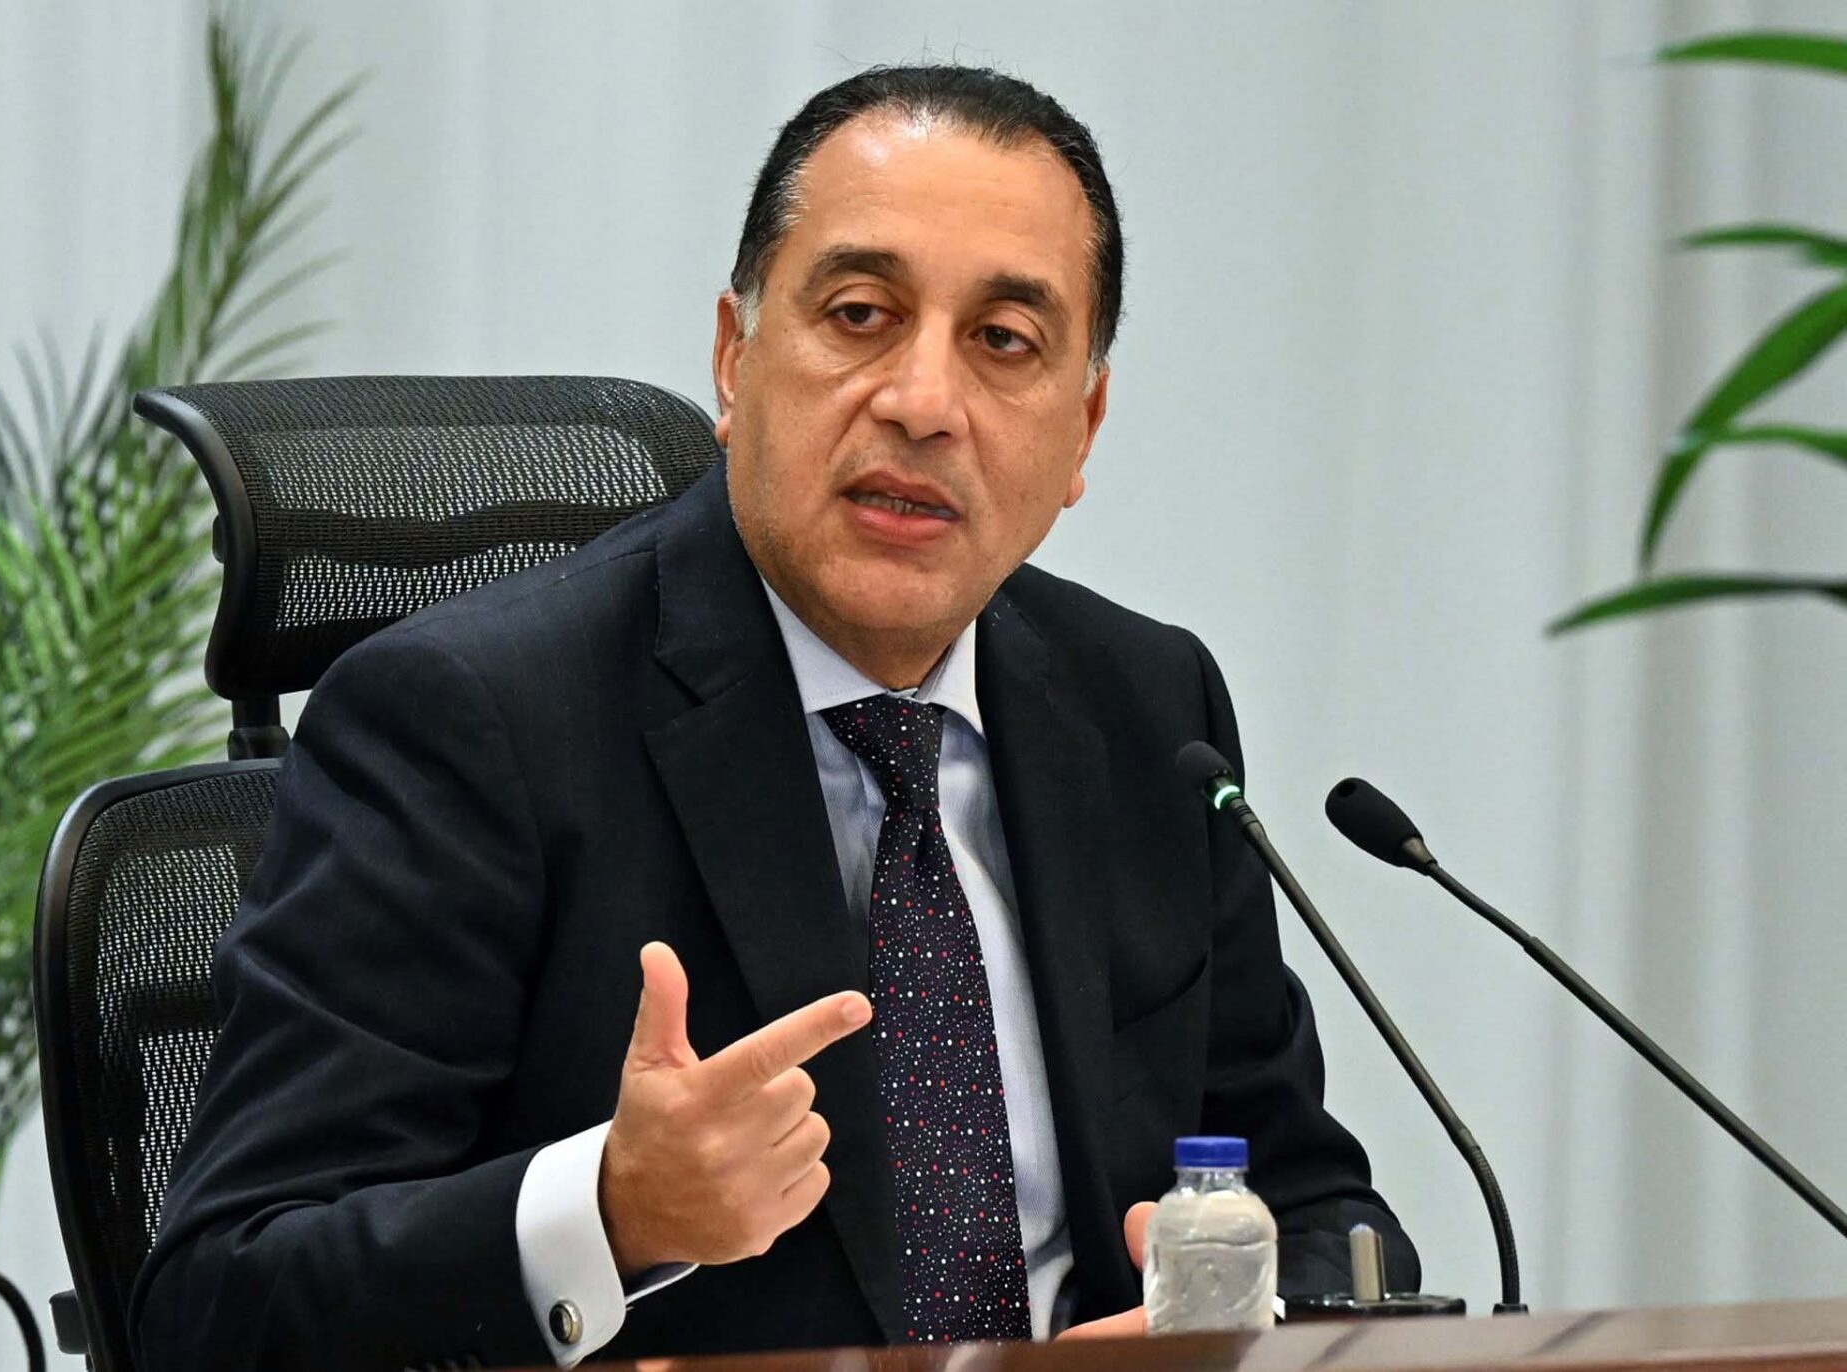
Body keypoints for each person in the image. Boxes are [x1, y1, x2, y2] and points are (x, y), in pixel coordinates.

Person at [133, 64, 1418, 1371]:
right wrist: (609, 1215)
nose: (923, 403)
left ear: (1082, 428)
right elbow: (219, 1299)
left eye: (1004, 341)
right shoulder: (469, 726)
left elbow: (1316, 1204)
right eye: (861, 315)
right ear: (734, 358)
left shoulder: (1146, 711)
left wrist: (1245, 1316)